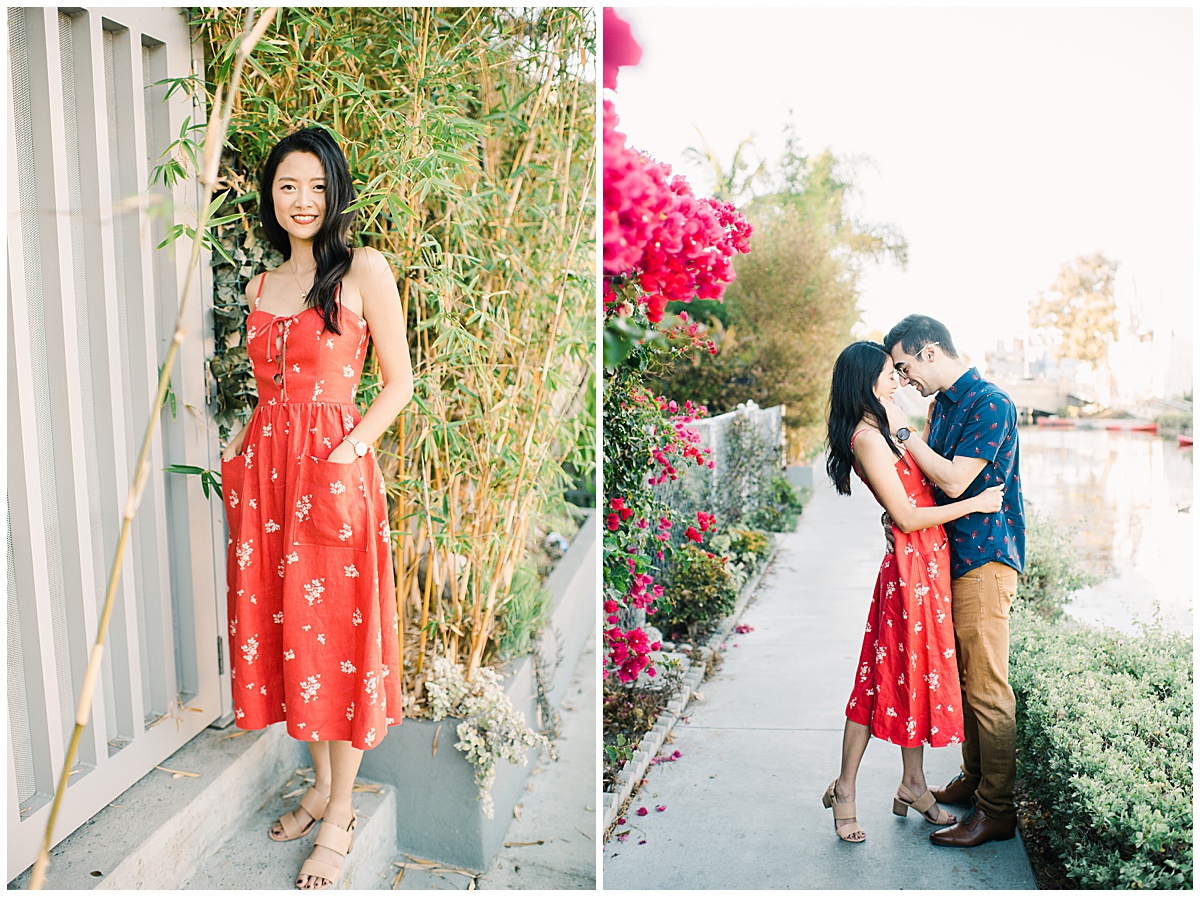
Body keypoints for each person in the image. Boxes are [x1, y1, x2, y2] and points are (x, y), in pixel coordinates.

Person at [220, 126, 414, 888]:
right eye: (287, 186)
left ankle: (341, 811)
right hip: (268, 479)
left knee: (338, 632)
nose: (302, 201)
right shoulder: (259, 287)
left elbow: (397, 382)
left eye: (316, 187)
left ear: (335, 192)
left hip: (334, 472)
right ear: (271, 195)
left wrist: (344, 452)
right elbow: (267, 397)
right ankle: (325, 786)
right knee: (295, 635)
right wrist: (241, 458)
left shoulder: (364, 269)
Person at [821, 341, 1004, 843]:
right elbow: (904, 514)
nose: (898, 380)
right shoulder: (866, 438)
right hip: (908, 568)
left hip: (925, 563)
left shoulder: (884, 428)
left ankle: (914, 783)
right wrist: (975, 504)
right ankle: (847, 792)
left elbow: (907, 500)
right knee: (877, 680)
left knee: (915, 676)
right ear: (866, 380)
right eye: (889, 373)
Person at [882, 314, 1024, 849]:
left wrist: (902, 432)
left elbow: (955, 478)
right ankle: (975, 781)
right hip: (948, 557)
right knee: (964, 680)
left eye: (904, 366)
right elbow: (929, 486)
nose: (904, 379)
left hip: (985, 562)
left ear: (931, 352)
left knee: (987, 688)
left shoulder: (991, 402)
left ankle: (996, 810)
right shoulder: (944, 404)